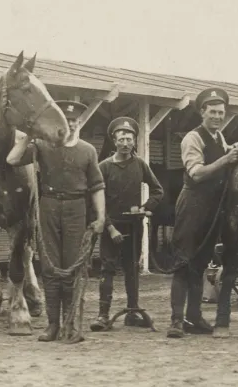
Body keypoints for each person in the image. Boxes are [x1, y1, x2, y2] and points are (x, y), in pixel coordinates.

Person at [7, 100, 106, 343]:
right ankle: (53, 325)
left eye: (74, 121)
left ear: (80, 123)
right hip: (49, 206)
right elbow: (12, 159)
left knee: (72, 267)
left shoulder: (87, 151)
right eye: (66, 120)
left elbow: (97, 187)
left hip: (76, 208)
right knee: (51, 268)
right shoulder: (42, 145)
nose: (70, 124)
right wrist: (27, 135)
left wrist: (101, 217)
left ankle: (71, 324)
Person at [167, 88, 238, 339]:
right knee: (183, 263)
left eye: (221, 113)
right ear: (203, 112)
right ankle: (176, 320)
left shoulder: (219, 138)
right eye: (213, 112)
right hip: (193, 205)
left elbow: (224, 157)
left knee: (200, 264)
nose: (218, 117)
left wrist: (235, 150)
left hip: (212, 208)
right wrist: (227, 159)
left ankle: (194, 317)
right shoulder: (193, 138)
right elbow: (197, 173)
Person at [89, 117, 164, 331]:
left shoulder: (140, 165)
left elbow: (158, 190)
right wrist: (110, 228)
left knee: (132, 269)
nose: (125, 143)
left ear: (134, 141)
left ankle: (132, 312)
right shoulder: (103, 167)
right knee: (108, 269)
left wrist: (145, 207)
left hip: (134, 226)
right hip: (110, 226)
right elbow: (96, 202)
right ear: (114, 141)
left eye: (129, 139)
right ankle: (103, 316)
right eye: (121, 139)